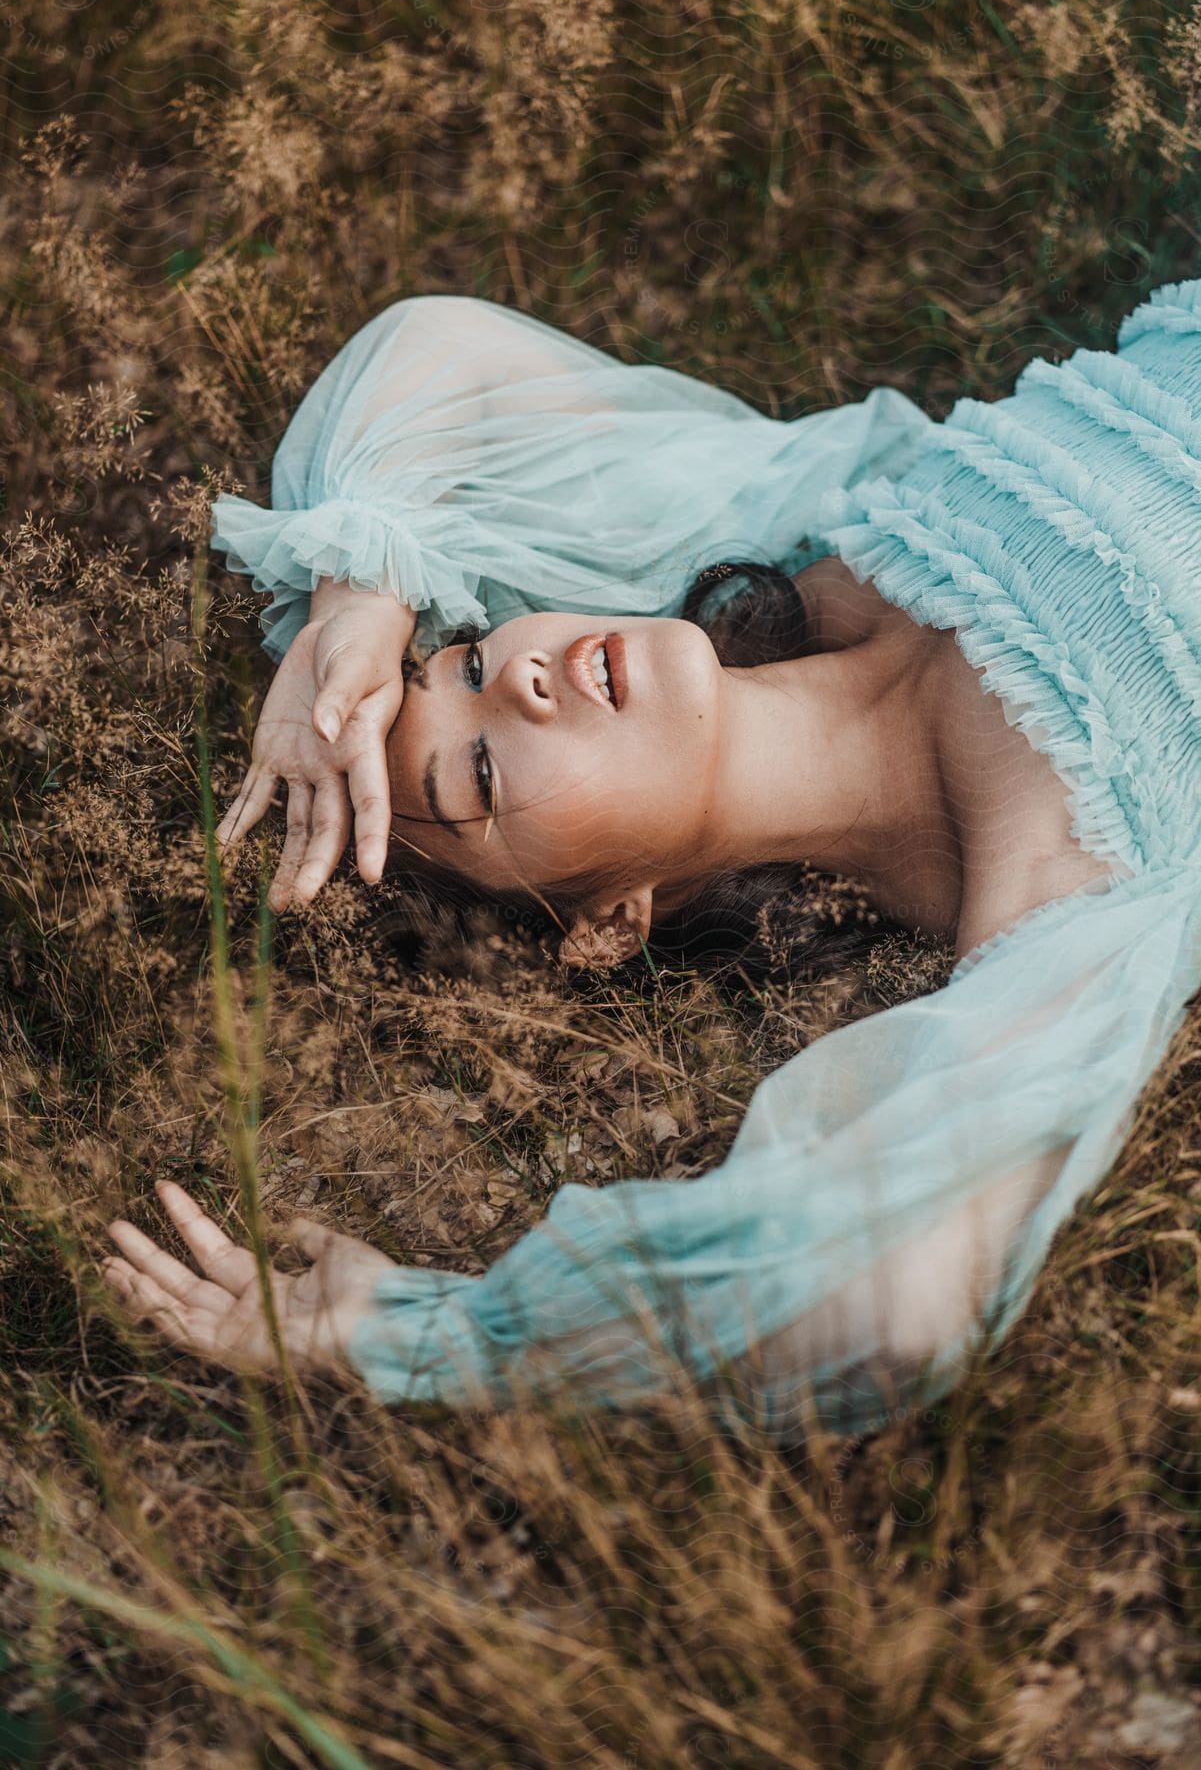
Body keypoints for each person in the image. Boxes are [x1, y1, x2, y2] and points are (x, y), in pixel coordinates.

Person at [103, 288, 1201, 1442]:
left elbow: (440, 349)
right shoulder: (1055, 878)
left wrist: (361, 600)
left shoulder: (825, 513)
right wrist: (432, 1337)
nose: (520, 680)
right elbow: (890, 1303)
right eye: (477, 777)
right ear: (609, 923)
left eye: (468, 659)